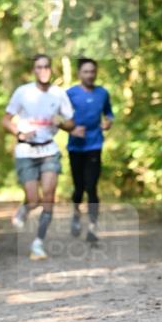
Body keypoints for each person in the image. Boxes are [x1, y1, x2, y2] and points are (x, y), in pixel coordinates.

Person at [3, 53, 75, 260]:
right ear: (33, 70)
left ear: (51, 69)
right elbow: (6, 120)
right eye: (39, 67)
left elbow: (72, 124)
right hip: (26, 150)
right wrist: (19, 133)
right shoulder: (22, 92)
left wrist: (59, 122)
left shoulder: (59, 94)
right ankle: (24, 210)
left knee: (49, 198)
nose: (43, 70)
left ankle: (38, 243)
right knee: (34, 200)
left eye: (46, 67)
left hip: (49, 151)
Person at [66, 56, 114, 243]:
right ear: (79, 73)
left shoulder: (102, 93)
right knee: (79, 188)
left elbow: (109, 113)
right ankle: (76, 213)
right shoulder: (69, 93)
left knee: (91, 187)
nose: (90, 75)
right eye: (86, 71)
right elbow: (60, 117)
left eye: (92, 71)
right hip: (75, 147)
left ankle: (92, 228)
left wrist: (108, 122)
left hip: (95, 145)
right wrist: (71, 128)